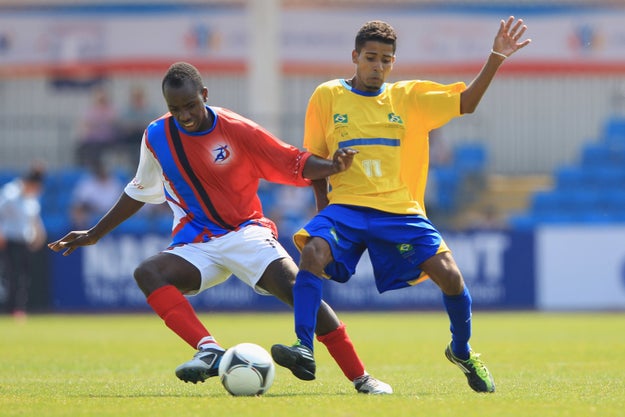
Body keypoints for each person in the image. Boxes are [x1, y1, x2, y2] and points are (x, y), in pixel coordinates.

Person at [48, 62, 392, 395]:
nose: (184, 115)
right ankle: (209, 350)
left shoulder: (236, 129)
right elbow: (139, 190)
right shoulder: (156, 135)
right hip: (197, 241)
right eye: (175, 107)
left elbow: (292, 162)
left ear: (205, 94)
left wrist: (332, 165)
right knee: (148, 273)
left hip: (247, 232)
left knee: (298, 288)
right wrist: (94, 234)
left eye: (190, 105)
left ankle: (361, 377)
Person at [271, 17, 531, 393]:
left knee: (451, 277)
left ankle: (461, 349)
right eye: (371, 57)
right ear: (355, 56)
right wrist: (322, 211)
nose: (378, 66)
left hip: (400, 210)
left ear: (393, 62)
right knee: (312, 252)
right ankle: (304, 347)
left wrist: (495, 57)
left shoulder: (409, 98)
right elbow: (316, 162)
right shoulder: (327, 96)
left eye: (386, 60)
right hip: (345, 208)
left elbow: (467, 103)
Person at [0, 163, 47, 319]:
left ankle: (18, 309)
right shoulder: (10, 193)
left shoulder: (31, 198)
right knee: (11, 276)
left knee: (23, 277)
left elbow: (34, 219)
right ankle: (8, 309)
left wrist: (39, 235)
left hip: (24, 241)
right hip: (9, 240)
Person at [69, 157, 125, 229]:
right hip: (92, 214)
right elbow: (78, 204)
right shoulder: (87, 183)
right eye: (101, 168)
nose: (103, 170)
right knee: (78, 213)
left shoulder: (115, 182)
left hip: (113, 214)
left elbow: (122, 201)